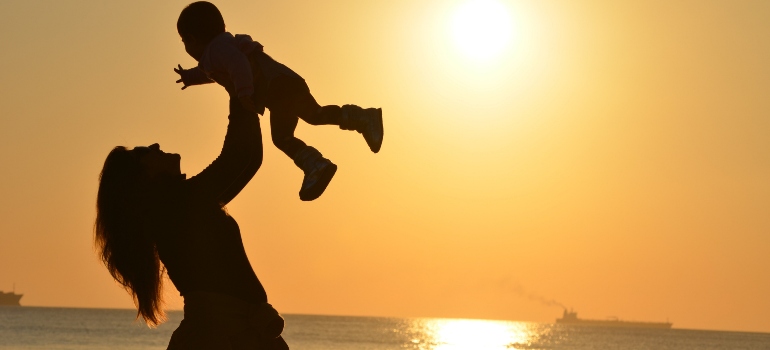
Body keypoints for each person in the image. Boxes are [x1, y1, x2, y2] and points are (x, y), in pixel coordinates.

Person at [95, 99, 288, 349]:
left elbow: (249, 160)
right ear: (143, 178)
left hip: (231, 335)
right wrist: (238, 88)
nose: (155, 145)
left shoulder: (184, 204)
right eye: (144, 152)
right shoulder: (180, 204)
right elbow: (239, 158)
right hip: (219, 338)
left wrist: (243, 94)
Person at [173, 1, 384, 201]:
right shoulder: (217, 52)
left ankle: (358, 123)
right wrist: (190, 78)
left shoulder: (217, 49)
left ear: (191, 39)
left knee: (311, 117)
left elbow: (237, 65)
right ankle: (317, 163)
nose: (186, 47)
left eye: (184, 42)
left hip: (279, 85)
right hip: (278, 92)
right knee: (291, 131)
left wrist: (244, 92)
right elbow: (210, 72)